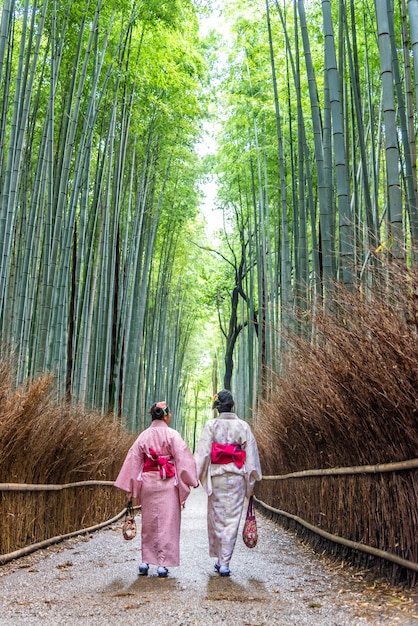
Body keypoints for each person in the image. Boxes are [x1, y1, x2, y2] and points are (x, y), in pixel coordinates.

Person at [114, 401, 198, 578]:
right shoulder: (172, 435)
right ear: (166, 416)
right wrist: (192, 480)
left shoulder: (143, 436)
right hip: (167, 483)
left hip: (148, 483)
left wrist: (131, 486)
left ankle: (145, 561)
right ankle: (162, 564)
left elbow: (134, 460)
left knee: (149, 521)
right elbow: (183, 460)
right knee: (168, 523)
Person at [194, 389, 262, 577]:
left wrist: (195, 475)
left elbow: (203, 453)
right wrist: (251, 483)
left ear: (217, 407)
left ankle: (221, 559)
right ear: (232, 405)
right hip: (237, 479)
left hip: (217, 477)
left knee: (217, 518)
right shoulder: (243, 426)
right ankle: (224, 562)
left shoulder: (211, 425)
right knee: (232, 519)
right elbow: (251, 457)